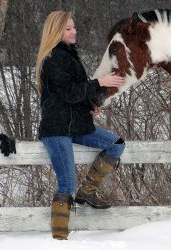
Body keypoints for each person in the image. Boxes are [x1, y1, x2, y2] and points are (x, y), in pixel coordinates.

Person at [35, 11, 125, 240]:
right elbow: (67, 92)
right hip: (56, 129)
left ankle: (87, 193)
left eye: (74, 27)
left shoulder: (68, 55)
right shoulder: (54, 57)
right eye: (68, 28)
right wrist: (100, 83)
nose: (74, 31)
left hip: (76, 125)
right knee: (66, 184)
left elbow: (72, 92)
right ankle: (59, 239)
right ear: (56, 31)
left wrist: (88, 106)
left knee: (115, 144)